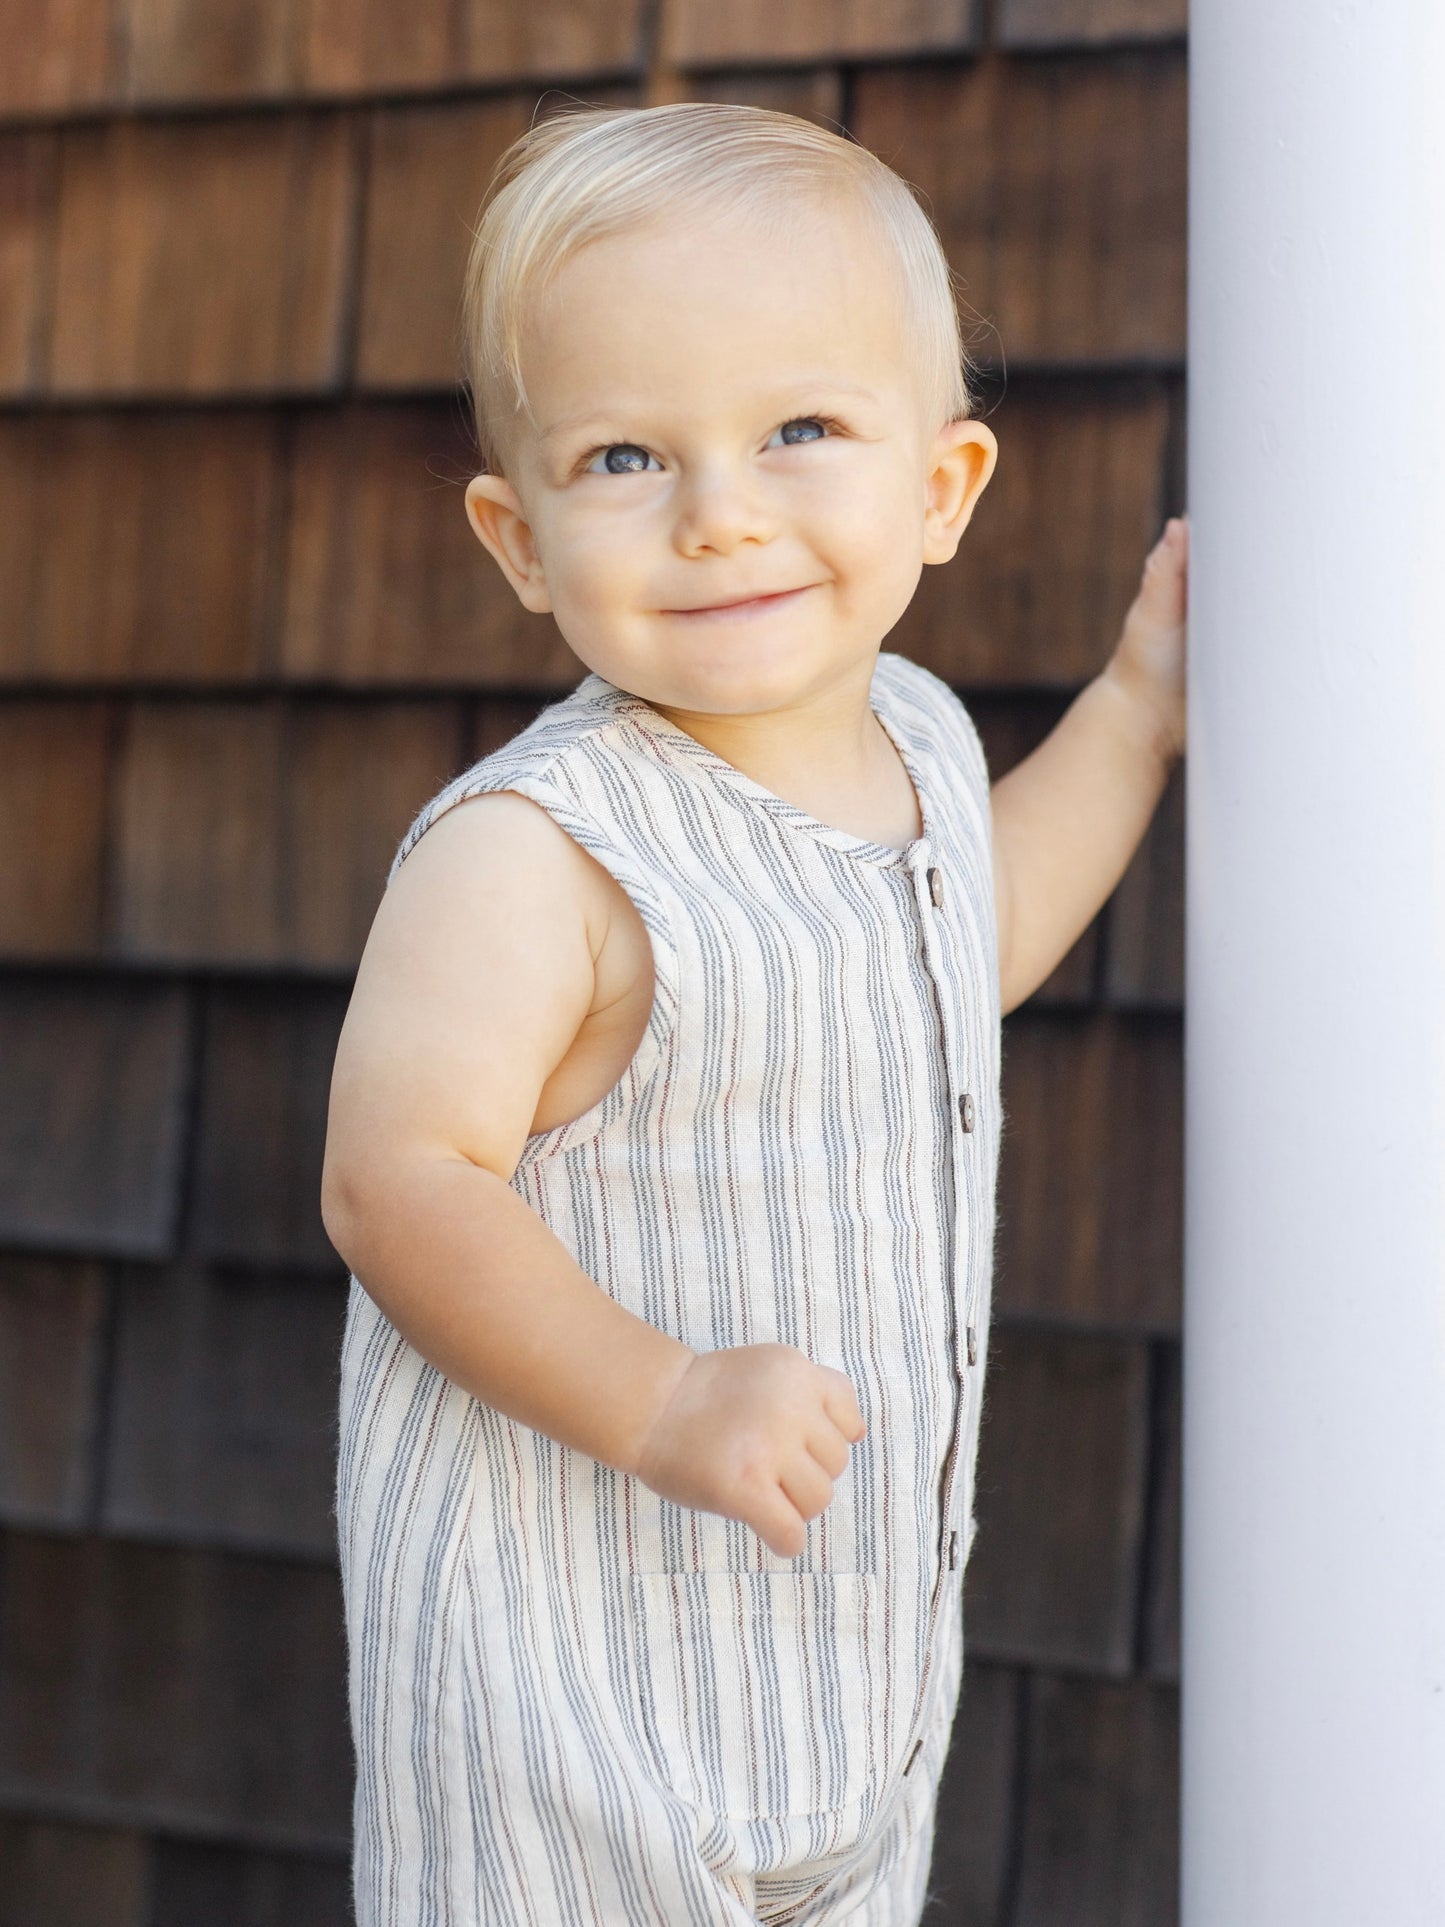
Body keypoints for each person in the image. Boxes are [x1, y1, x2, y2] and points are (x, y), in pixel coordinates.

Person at [321, 100, 1187, 1927]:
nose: (720, 513)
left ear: (941, 489)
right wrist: (659, 1397)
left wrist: (1130, 709)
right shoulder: (534, 853)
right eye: (628, 454)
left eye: (799, 430)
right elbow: (398, 1181)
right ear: (521, 536)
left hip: (840, 1691)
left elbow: (971, 941)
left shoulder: (925, 745)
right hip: (573, 1721)